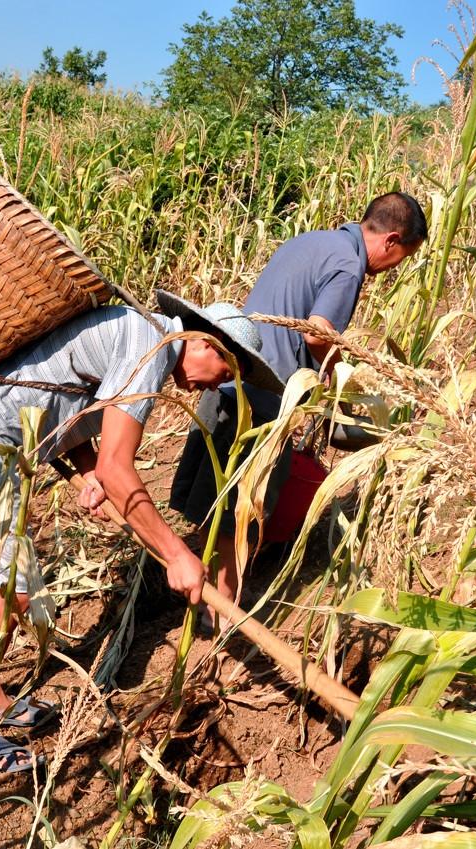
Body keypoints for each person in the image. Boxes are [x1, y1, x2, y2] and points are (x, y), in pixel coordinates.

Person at [0, 291, 282, 774]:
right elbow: (120, 468)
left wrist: (86, 472)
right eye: (225, 374)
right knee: (6, 590)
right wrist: (177, 553)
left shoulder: (143, 334)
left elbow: (57, 402)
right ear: (208, 345)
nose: (213, 386)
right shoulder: (150, 347)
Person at [169, 192, 427, 625]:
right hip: (263, 396)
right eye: (400, 259)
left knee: (216, 498)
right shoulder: (349, 266)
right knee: (244, 508)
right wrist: (341, 380)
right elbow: (316, 333)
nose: (391, 270)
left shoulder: (310, 241)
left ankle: (200, 592)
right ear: (391, 240)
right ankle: (222, 613)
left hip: (225, 375)